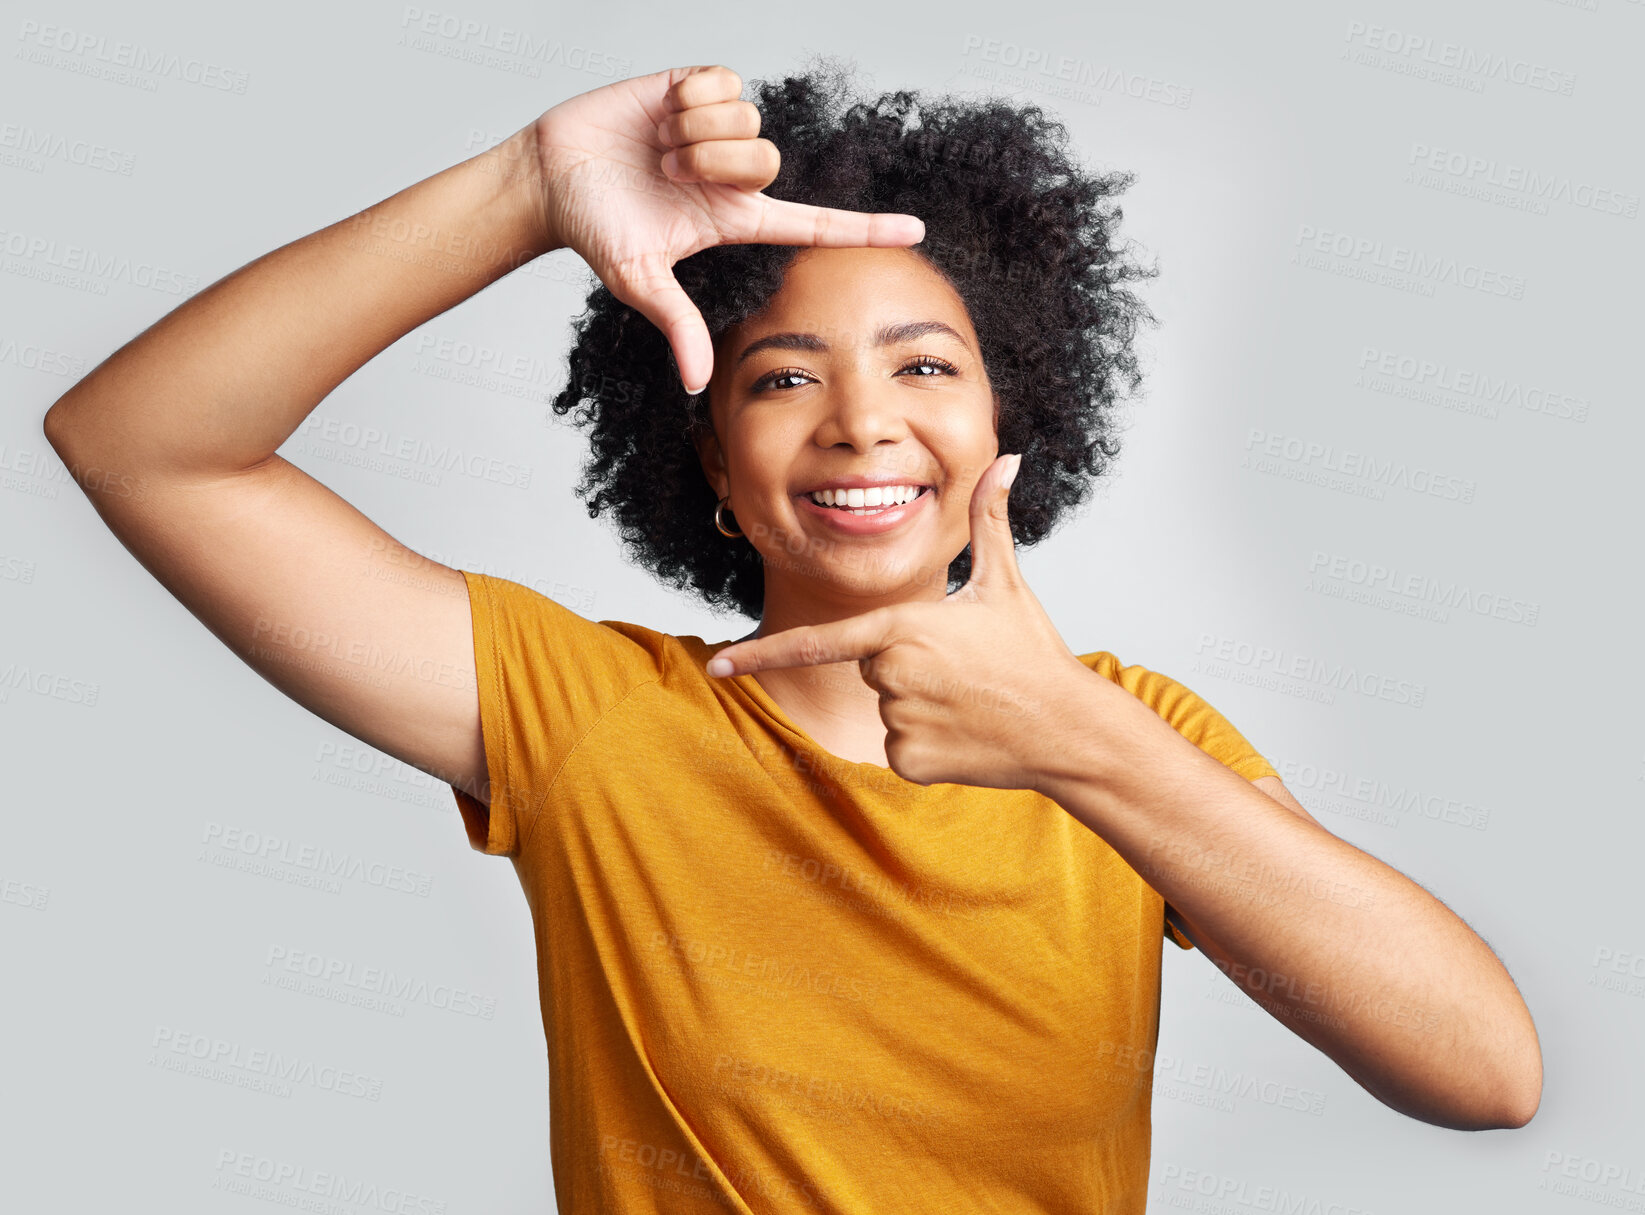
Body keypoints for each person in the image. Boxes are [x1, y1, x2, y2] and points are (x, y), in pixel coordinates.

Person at [44, 60, 1541, 1213]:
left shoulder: (1132, 740)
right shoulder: (587, 717)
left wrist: (1083, 747)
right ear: (700, 455)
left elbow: (1484, 1074)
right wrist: (522, 189)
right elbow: (143, 444)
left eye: (925, 366)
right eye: (779, 379)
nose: (862, 423)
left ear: (1005, 423)